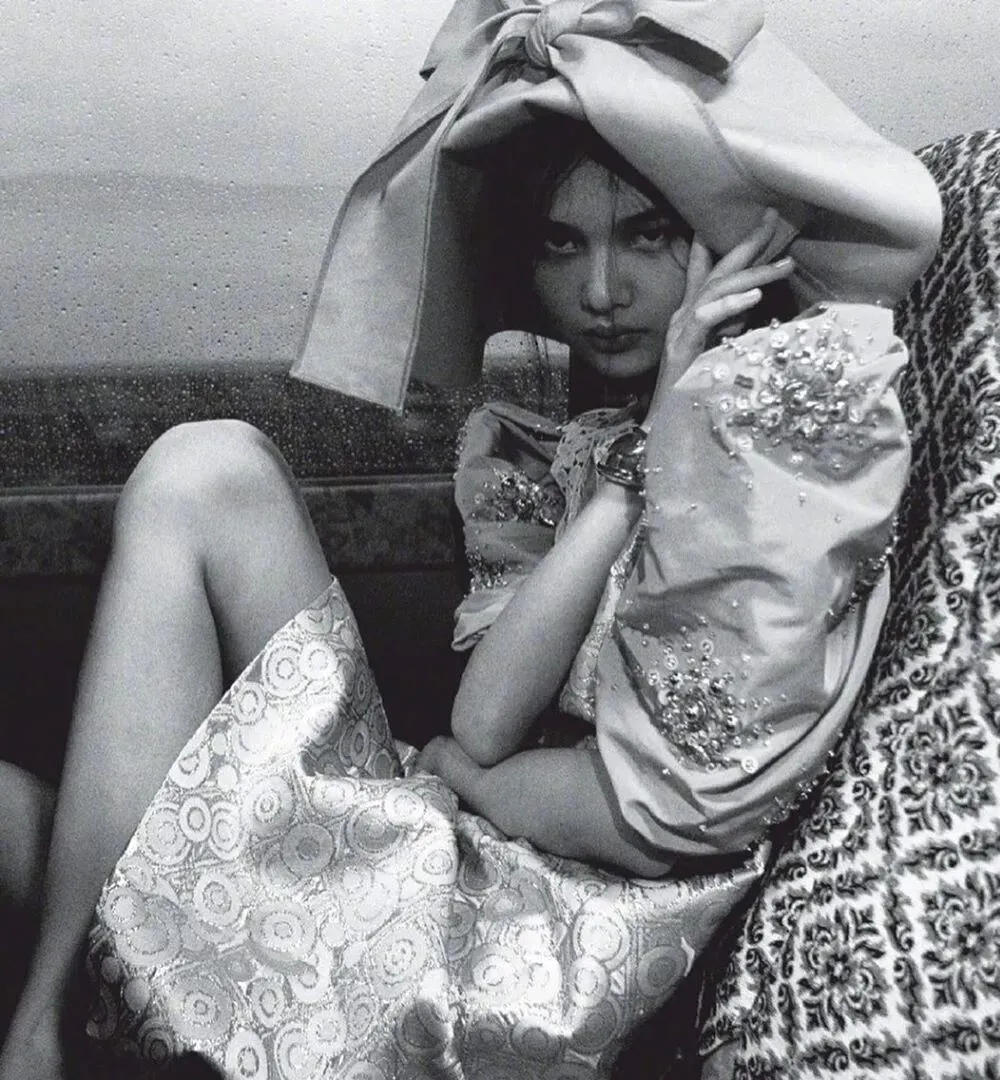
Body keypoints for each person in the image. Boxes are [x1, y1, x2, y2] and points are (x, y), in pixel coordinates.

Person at [0, 1, 942, 1078]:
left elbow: (502, 741)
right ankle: (44, 1027)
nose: (600, 291)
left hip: (537, 934)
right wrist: (634, 451)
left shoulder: (774, 454)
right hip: (463, 823)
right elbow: (486, 715)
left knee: (49, 829)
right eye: (562, 242)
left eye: (647, 235)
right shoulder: (579, 437)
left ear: (725, 238)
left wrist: (651, 454)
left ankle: (49, 1033)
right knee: (208, 465)